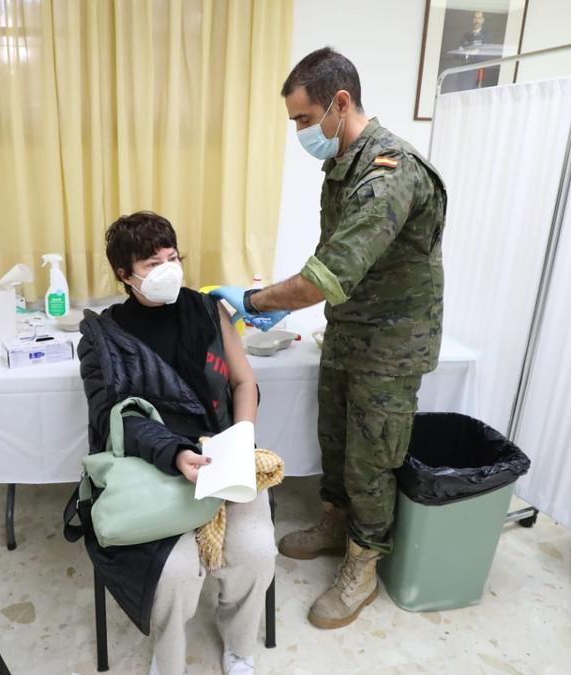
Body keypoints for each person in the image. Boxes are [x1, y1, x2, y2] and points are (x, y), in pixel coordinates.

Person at [211, 47, 447, 630]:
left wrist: (257, 301)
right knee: (336, 442)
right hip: (349, 332)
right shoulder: (345, 162)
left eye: (302, 118)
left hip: (391, 348)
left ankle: (363, 564)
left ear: (339, 103)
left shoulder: (389, 173)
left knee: (373, 459)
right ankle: (336, 524)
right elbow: (335, 258)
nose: (299, 131)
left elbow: (329, 273)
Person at [72, 212, 276, 675]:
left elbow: (244, 384)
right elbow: (111, 420)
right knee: (175, 572)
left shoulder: (206, 310)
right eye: (150, 262)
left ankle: (240, 647)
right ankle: (169, 661)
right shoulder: (103, 337)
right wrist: (176, 454)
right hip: (154, 464)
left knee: (257, 549)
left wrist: (240, 440)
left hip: (221, 453)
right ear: (125, 275)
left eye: (172, 257)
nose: (167, 268)